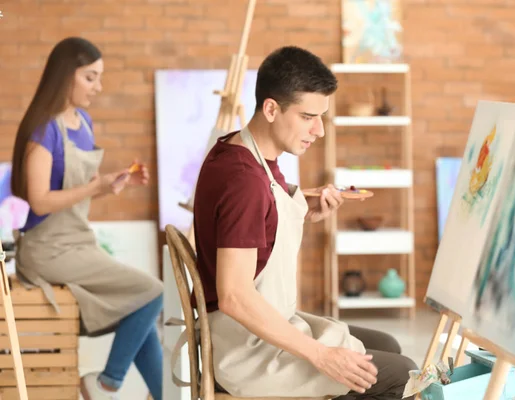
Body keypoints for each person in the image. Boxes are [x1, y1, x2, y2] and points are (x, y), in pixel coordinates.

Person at [192, 46, 418, 400]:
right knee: (401, 375)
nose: (320, 130)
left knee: (385, 344)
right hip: (246, 350)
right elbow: (235, 296)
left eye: (322, 116)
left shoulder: (240, 153)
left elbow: (262, 216)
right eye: (309, 116)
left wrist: (302, 207)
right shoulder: (244, 181)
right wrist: (321, 355)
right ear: (271, 109)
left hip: (255, 330)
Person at [10, 37, 164, 400]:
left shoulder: (83, 122)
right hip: (46, 249)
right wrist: (97, 188)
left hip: (78, 242)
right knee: (152, 292)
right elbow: (40, 200)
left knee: (140, 311)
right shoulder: (43, 129)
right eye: (91, 77)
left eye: (100, 77)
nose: (99, 87)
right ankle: (107, 382)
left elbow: (78, 187)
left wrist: (110, 185)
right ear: (67, 76)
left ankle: (163, 396)